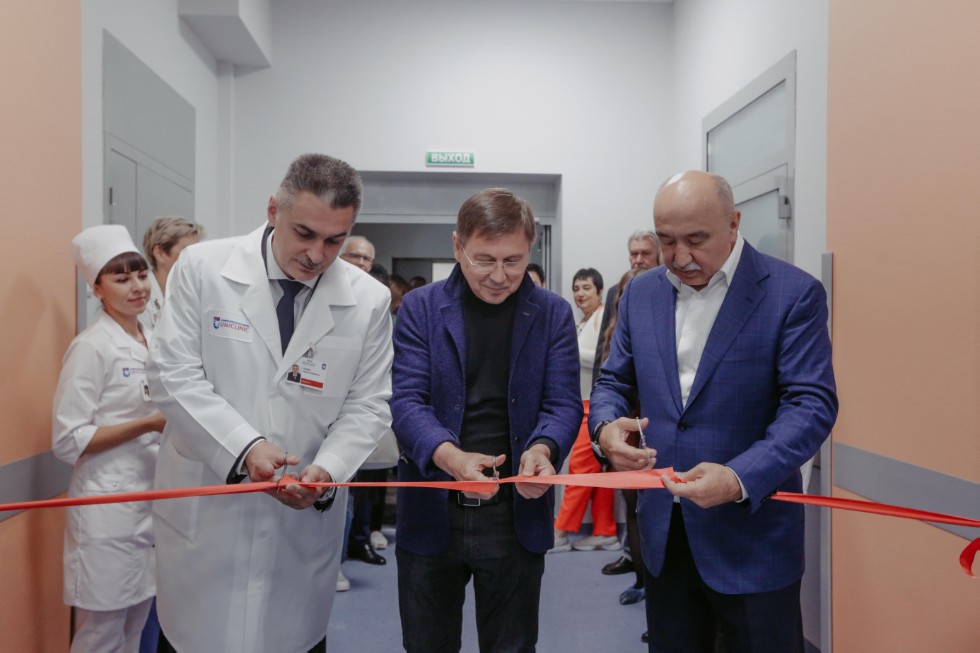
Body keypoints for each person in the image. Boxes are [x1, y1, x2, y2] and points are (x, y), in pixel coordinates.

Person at [146, 153, 394, 653]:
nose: (317, 254)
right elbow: (172, 375)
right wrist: (244, 449)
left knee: (291, 638)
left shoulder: (368, 300)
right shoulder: (204, 268)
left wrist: (328, 469)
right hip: (207, 522)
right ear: (273, 210)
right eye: (304, 233)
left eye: (335, 240)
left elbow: (368, 406)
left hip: (300, 529)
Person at [590, 170, 838, 652]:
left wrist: (740, 476)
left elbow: (811, 405)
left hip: (752, 538)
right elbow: (614, 381)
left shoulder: (792, 293)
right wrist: (604, 428)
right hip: (665, 537)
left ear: (733, 223)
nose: (679, 257)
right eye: (666, 240)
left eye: (696, 240)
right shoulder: (641, 294)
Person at [391, 188, 582, 653]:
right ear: (458, 246)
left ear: (530, 250)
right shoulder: (420, 308)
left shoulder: (553, 313)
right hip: (433, 506)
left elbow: (563, 404)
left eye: (513, 261)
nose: (499, 277)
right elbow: (407, 402)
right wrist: (451, 458)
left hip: (514, 514)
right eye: (485, 260)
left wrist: (542, 449)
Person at [52, 225, 167, 653]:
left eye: (141, 274)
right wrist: (148, 424)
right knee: (101, 633)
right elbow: (67, 439)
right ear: (97, 289)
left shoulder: (152, 339)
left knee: (135, 626)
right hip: (105, 508)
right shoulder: (92, 347)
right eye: (121, 278)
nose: (138, 287)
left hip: (149, 501)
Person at [596, 230, 661, 577]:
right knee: (632, 500)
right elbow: (609, 363)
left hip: (653, 416)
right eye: (633, 253)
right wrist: (602, 420)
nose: (638, 259)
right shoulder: (618, 292)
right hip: (625, 416)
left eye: (645, 253)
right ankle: (636, 567)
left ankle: (648, 573)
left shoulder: (668, 291)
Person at [551, 268, 619, 553]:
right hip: (582, 403)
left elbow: (606, 357)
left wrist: (567, 351)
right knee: (598, 471)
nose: (580, 294)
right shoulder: (585, 321)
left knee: (580, 470)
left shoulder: (602, 318)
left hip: (594, 407)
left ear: (600, 292)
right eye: (576, 288)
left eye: (586, 288)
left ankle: (560, 532)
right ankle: (605, 531)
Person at [141, 216, 205, 328]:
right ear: (160, 253)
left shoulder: (191, 292)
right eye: (187, 252)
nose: (196, 259)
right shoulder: (140, 297)